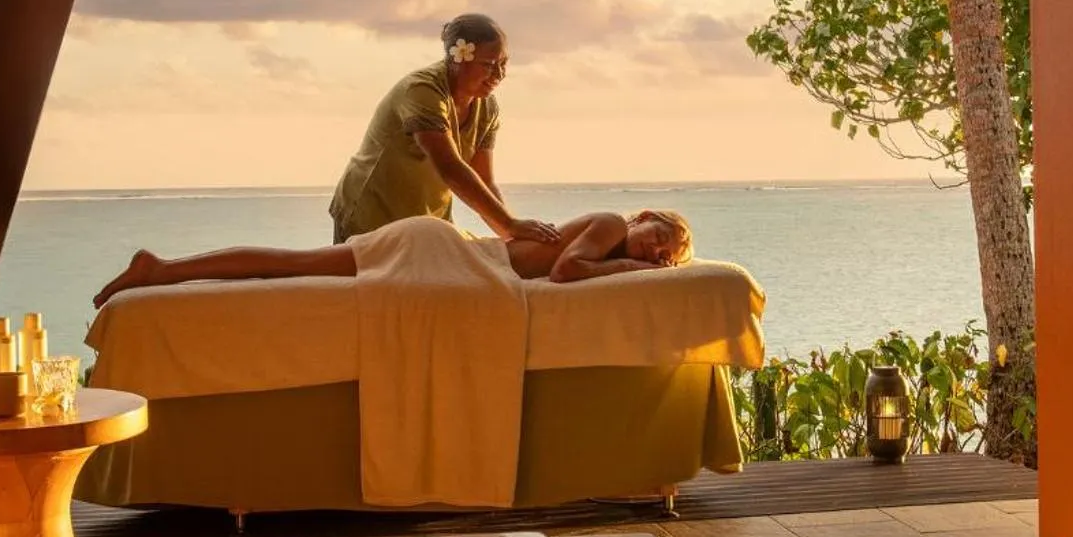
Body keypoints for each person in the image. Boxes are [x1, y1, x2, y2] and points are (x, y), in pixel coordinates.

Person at [92, 210, 692, 308]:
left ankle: (163, 269)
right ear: (641, 217)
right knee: (293, 263)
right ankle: (161, 269)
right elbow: (565, 273)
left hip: (452, 260)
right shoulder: (612, 226)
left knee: (294, 263)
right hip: (441, 253)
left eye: (665, 253)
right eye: (658, 234)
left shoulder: (614, 239)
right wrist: (632, 269)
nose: (656, 249)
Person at [327, 14, 559, 247]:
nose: (499, 75)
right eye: (488, 65)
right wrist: (510, 224)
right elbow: (450, 168)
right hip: (372, 213)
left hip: (426, 222)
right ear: (458, 59)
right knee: (370, 281)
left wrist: (512, 235)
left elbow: (484, 182)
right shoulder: (422, 92)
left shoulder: (487, 108)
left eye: (503, 63)